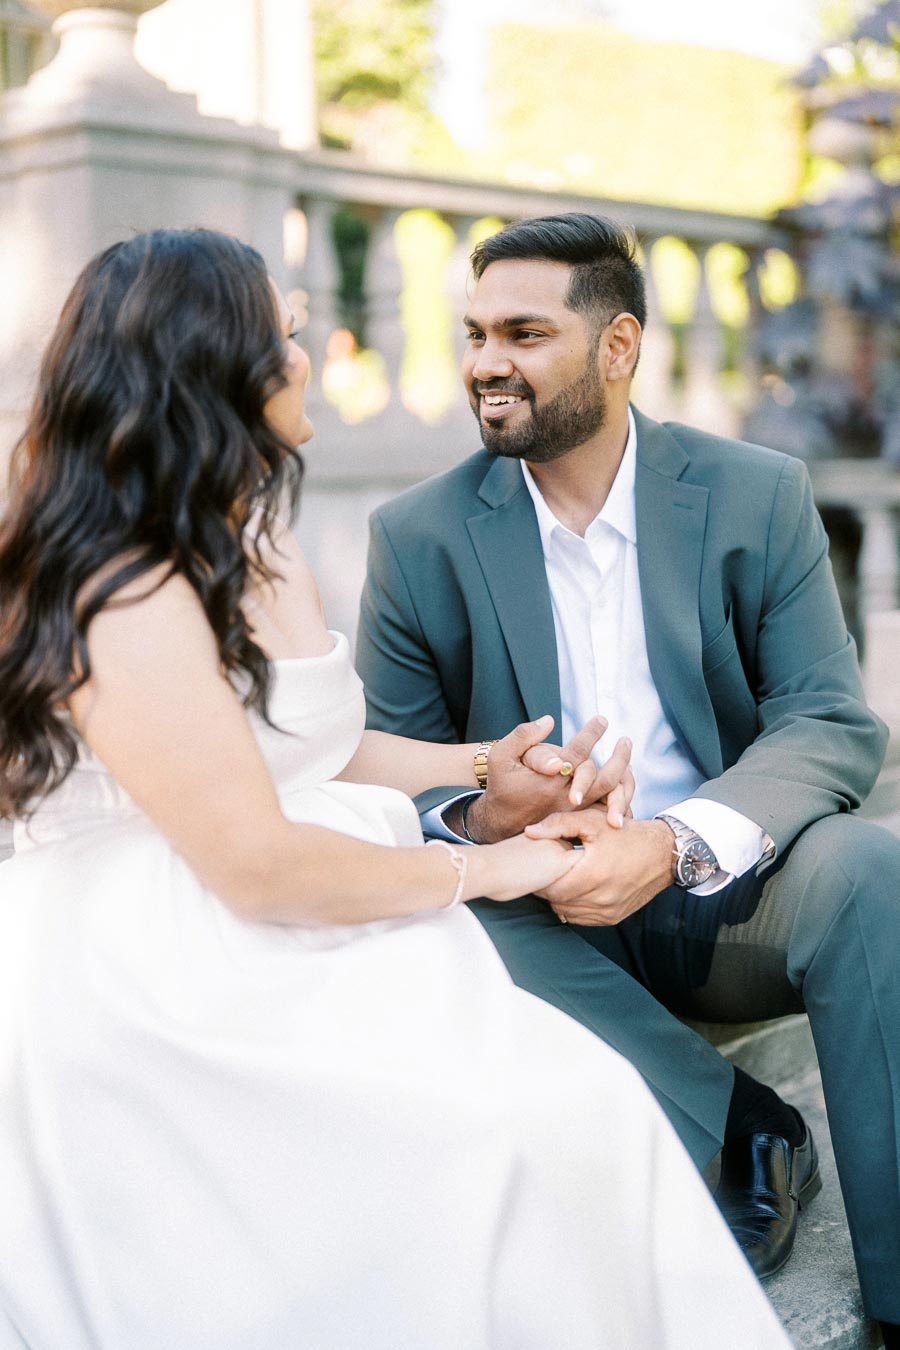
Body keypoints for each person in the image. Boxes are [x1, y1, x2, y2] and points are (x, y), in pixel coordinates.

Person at [0, 228, 789, 1350]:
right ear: (218, 368)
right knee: (506, 1139)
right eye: (282, 334)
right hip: (167, 970)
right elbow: (257, 860)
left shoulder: (249, 533)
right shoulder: (117, 586)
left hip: (312, 926)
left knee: (581, 1110)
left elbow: (305, 742)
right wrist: (490, 864)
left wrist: (486, 769)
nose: (309, 350)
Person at [357, 211, 900, 1338]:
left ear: (618, 347)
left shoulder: (756, 494)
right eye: (474, 334)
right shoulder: (419, 535)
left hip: (723, 892)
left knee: (863, 868)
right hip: (539, 915)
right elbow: (382, 780)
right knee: (415, 913)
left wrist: (674, 840)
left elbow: (832, 722)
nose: (485, 363)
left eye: (523, 332)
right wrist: (483, 807)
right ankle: (744, 1126)